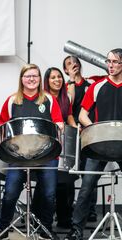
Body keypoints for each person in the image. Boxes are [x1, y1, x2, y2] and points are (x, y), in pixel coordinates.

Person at [0, 64, 63, 240]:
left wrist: (59, 128)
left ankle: (45, 229)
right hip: (18, 155)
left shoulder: (48, 100)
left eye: (35, 76)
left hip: (46, 154)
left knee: (49, 194)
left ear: (39, 79)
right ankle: (3, 229)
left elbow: (59, 123)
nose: (31, 79)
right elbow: (0, 124)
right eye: (28, 76)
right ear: (21, 79)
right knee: (10, 193)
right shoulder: (12, 101)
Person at [64, 48, 122, 240]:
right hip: (99, 145)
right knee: (87, 186)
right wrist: (99, 130)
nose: (110, 66)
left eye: (115, 62)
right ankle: (76, 230)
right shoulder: (97, 86)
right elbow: (81, 115)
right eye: (108, 62)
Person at [63, 56, 98, 222]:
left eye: (75, 62)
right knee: (69, 173)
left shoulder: (90, 83)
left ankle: (91, 210)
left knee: (89, 171)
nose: (73, 65)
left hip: (88, 132)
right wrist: (71, 80)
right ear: (65, 69)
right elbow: (68, 105)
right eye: (69, 64)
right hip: (71, 134)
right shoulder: (65, 87)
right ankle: (68, 210)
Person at [43, 67, 76, 229]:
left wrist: (75, 128)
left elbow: (69, 115)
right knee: (46, 180)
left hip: (63, 140)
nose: (57, 80)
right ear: (47, 81)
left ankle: (64, 219)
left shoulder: (66, 97)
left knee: (65, 180)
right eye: (53, 77)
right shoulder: (42, 97)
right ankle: (41, 219)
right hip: (46, 142)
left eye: (59, 77)